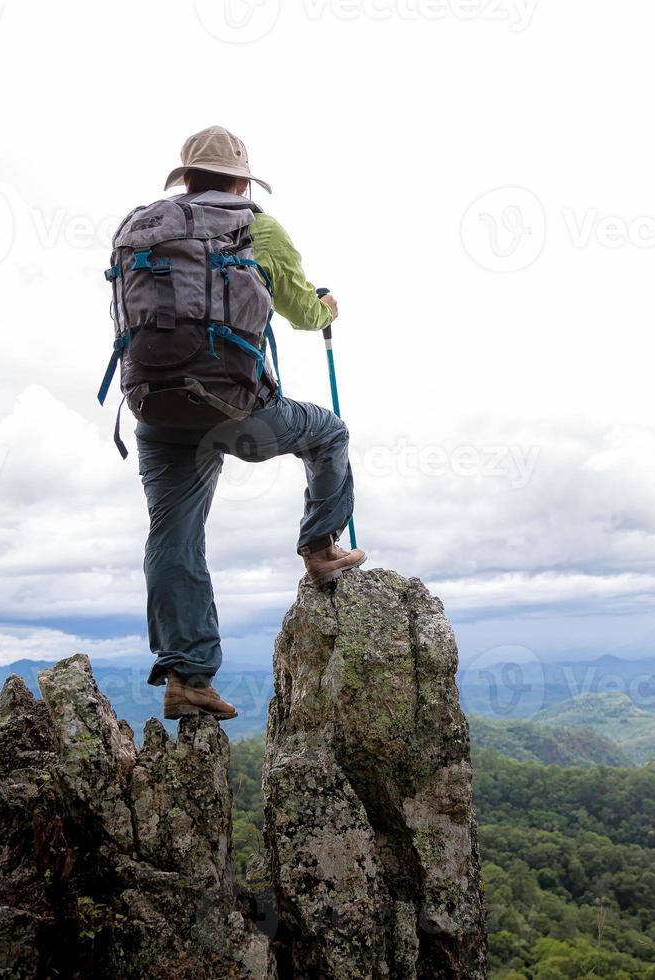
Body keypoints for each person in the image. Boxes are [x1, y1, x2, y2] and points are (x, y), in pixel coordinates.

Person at [137, 126, 366, 721]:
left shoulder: (147, 231)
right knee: (329, 432)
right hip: (237, 407)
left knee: (173, 536)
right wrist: (326, 308)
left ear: (185, 179)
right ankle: (320, 547)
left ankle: (187, 677)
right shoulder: (257, 226)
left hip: (157, 408)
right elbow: (300, 310)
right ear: (242, 180)